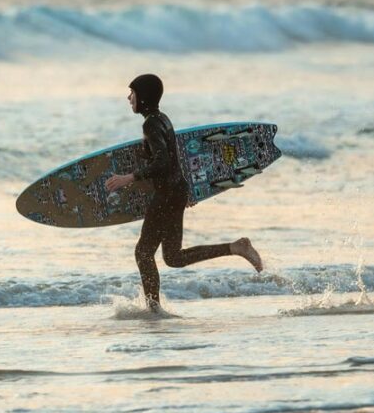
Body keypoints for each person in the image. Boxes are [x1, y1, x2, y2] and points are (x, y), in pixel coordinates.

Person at [105, 74, 263, 313]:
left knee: (143, 252)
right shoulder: (163, 119)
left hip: (168, 194)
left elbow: (163, 161)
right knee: (173, 257)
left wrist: (129, 178)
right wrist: (185, 190)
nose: (129, 98)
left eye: (133, 93)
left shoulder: (151, 124)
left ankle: (153, 309)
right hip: (174, 191)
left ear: (144, 96)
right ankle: (236, 247)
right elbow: (176, 159)